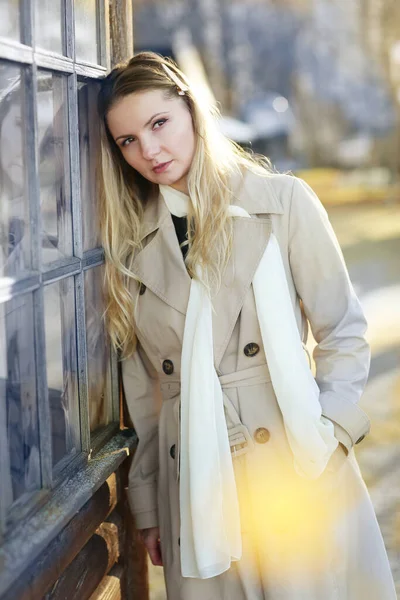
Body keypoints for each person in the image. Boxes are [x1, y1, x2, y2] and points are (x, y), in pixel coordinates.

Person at [97, 51, 396, 600]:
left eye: (158, 123)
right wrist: (149, 505)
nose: (149, 150)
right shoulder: (131, 249)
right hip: (194, 484)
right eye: (128, 141)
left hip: (295, 460)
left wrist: (331, 436)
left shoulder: (282, 204)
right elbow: (145, 393)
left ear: (191, 110)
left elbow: (343, 330)